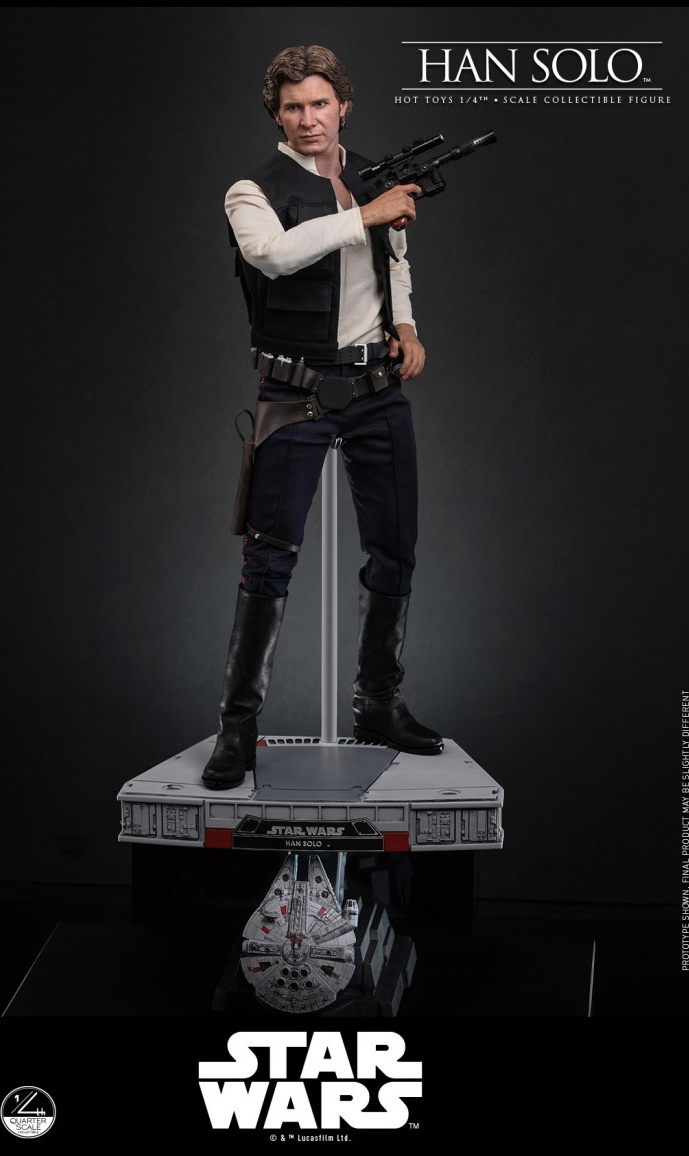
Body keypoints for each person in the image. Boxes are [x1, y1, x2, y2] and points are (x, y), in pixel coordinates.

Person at [202, 44, 443, 790]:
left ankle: (378, 704)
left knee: (395, 550)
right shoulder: (252, 190)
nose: (309, 119)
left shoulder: (375, 175)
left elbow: (393, 260)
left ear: (343, 105)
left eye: (320, 103)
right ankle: (237, 728)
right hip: (294, 391)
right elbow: (273, 255)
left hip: (376, 388)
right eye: (293, 107)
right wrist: (365, 212)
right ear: (276, 116)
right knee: (269, 558)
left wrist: (406, 327)